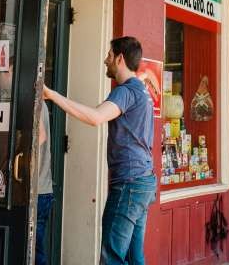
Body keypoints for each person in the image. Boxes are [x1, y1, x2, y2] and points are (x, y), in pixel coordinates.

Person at [43, 37, 154, 265]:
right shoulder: (142, 91)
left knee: (111, 257)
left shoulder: (125, 91)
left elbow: (96, 118)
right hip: (143, 180)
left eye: (109, 56)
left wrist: (52, 95)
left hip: (129, 183)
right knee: (135, 257)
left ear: (120, 58)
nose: (106, 61)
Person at [36, 100, 55, 265]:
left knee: (34, 252)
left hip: (35, 190)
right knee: (37, 250)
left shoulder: (32, 97)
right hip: (43, 188)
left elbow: (40, 135)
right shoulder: (41, 102)